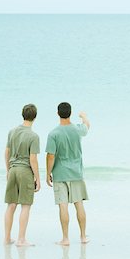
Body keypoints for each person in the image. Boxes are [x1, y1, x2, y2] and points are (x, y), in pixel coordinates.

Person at [45, 102, 90, 246]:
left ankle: (65, 238)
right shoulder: (77, 130)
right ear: (70, 113)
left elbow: (50, 156)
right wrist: (83, 116)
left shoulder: (54, 134)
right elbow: (87, 126)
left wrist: (48, 173)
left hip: (60, 173)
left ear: (58, 113)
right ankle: (83, 236)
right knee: (79, 204)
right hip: (76, 172)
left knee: (63, 206)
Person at [4, 104, 40, 246]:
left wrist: (8, 170)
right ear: (35, 117)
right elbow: (33, 159)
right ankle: (21, 239)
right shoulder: (33, 136)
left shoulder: (12, 132)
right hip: (25, 171)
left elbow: (6, 152)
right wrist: (37, 177)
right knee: (25, 205)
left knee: (11, 205)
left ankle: (7, 238)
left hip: (12, 169)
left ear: (22, 115)